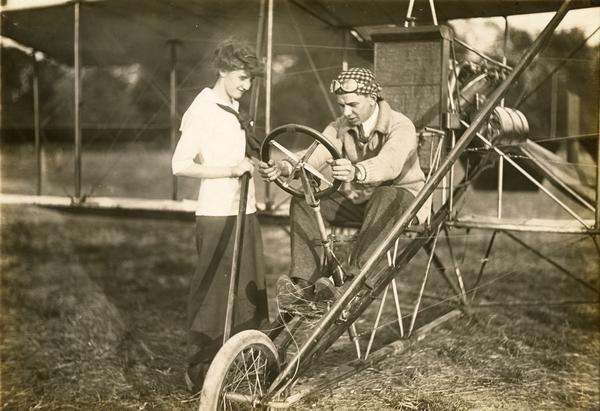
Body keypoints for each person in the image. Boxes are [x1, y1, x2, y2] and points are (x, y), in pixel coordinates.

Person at [258, 67, 430, 299]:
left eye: (353, 105)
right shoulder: (340, 126)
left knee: (385, 194)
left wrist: (357, 172)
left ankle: (354, 280)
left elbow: (390, 163)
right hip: (363, 202)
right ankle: (305, 284)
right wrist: (286, 167)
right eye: (342, 106)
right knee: (303, 201)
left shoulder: (401, 125)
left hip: (404, 201)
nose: (346, 112)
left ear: (372, 99)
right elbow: (315, 154)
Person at [171, 38, 268, 393]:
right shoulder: (203, 109)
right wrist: (229, 169)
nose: (246, 85)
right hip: (217, 214)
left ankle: (245, 363)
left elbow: (243, 157)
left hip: (246, 211)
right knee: (214, 292)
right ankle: (201, 371)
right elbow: (180, 165)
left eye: (251, 79)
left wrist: (259, 166)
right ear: (223, 71)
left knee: (247, 289)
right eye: (242, 77)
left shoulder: (231, 106)